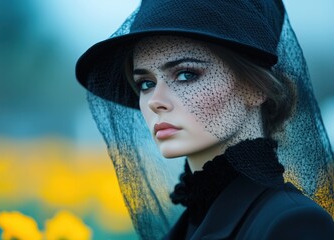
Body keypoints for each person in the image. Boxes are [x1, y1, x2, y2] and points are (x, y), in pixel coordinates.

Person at [75, 0, 334, 239]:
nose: (155, 100)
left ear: (256, 88)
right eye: (145, 83)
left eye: (186, 75)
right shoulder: (190, 223)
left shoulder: (294, 224)